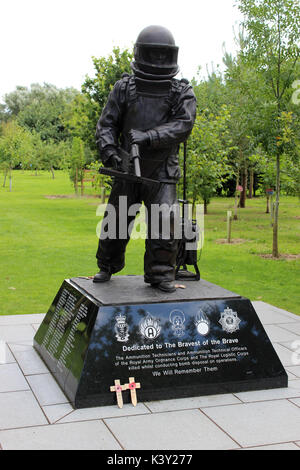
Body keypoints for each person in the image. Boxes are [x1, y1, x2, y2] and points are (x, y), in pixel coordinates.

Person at [93, 25, 197, 293]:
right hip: (128, 166)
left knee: (165, 225)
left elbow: (183, 125)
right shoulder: (124, 88)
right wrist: (111, 152)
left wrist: (149, 136)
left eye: (162, 55)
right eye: (154, 54)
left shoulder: (181, 92)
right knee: (115, 221)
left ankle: (161, 274)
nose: (157, 60)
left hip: (162, 171)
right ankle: (106, 264)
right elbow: (106, 125)